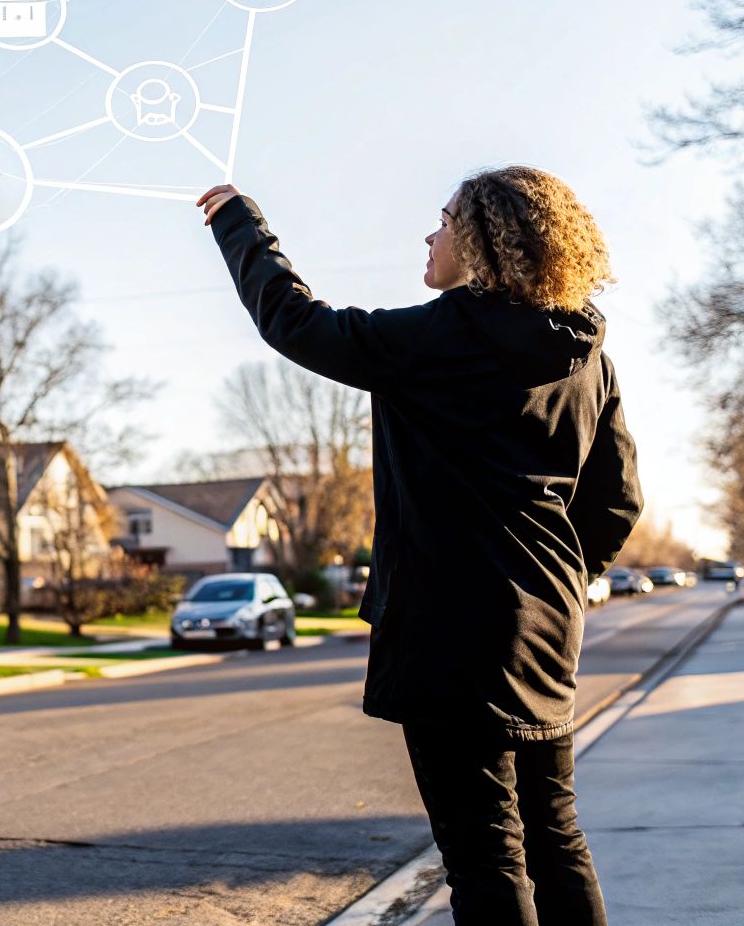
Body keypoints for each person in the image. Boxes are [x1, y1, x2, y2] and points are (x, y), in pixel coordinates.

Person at [198, 169, 640, 926]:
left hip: (444, 630)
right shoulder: (589, 356)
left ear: (484, 244)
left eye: (443, 222)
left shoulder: (439, 335)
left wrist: (238, 223)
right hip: (545, 630)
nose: (429, 237)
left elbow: (295, 322)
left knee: (485, 859)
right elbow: (617, 502)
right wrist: (560, 581)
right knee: (556, 836)